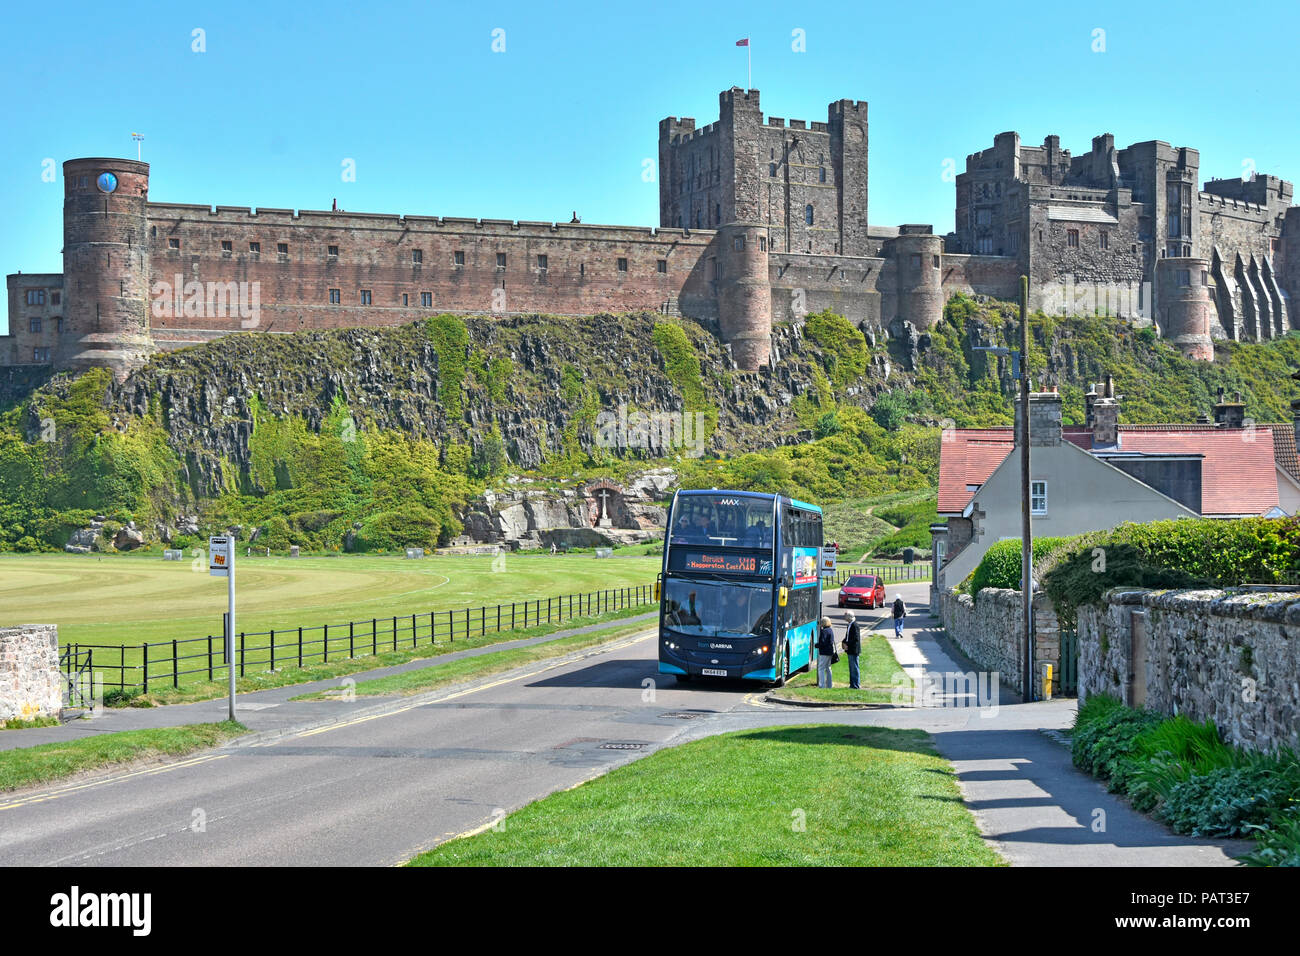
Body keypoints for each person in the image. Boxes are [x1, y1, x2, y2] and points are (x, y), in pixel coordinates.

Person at [841, 610, 861, 689]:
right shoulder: (849, 625)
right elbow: (848, 636)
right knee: (851, 668)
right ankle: (852, 684)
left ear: (849, 617)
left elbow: (855, 638)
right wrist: (844, 642)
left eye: (845, 615)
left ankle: (856, 685)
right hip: (850, 649)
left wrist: (847, 644)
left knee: (854, 667)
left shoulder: (855, 625)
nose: (844, 617)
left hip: (854, 649)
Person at [816, 616, 836, 688]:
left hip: (824, 652)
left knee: (821, 668)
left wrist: (816, 645)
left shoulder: (824, 631)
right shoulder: (830, 630)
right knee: (828, 668)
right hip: (830, 651)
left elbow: (823, 642)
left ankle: (822, 685)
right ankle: (829, 685)